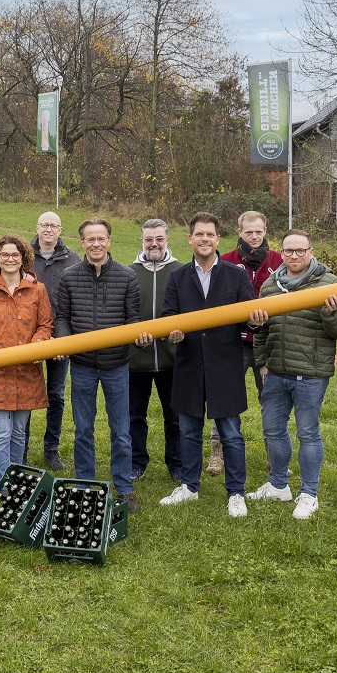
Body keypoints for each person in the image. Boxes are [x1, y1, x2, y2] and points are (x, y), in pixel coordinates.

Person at [152, 212, 254, 517]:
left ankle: (236, 492)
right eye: (199, 234)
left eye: (210, 234)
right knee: (188, 431)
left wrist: (257, 320)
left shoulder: (236, 276)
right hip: (189, 363)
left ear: (218, 239)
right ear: (190, 239)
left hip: (225, 364)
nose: (205, 239)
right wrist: (174, 329)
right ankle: (189, 486)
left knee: (231, 433)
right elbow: (170, 313)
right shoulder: (179, 276)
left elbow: (251, 318)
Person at [246, 229, 337, 519]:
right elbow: (260, 332)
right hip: (276, 372)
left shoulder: (330, 284)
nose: (294, 256)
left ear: (311, 252)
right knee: (272, 430)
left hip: (310, 373)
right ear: (282, 252)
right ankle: (278, 485)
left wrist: (330, 314)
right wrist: (262, 363)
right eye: (288, 251)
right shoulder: (270, 285)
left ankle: (309, 494)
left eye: (300, 251)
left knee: (307, 433)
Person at [54, 217, 140, 511]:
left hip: (117, 364)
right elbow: (62, 318)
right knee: (83, 429)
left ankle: (124, 487)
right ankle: (85, 484)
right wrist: (65, 342)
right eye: (90, 239)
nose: (96, 244)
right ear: (82, 243)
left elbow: (133, 319)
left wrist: (136, 336)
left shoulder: (127, 277)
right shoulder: (69, 277)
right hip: (82, 365)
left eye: (100, 238)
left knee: (121, 431)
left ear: (109, 241)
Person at [0, 236, 54, 482]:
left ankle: (18, 480)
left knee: (18, 433)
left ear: (23, 258)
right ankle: (4, 484)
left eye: (15, 255)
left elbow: (46, 325)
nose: (10, 259)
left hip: (26, 373)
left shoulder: (38, 290)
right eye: (5, 255)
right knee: (1, 433)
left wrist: (37, 345)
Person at [209, 210, 283, 475]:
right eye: (248, 232)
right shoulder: (225, 261)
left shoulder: (279, 260)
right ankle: (217, 453)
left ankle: (275, 456)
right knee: (225, 396)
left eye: (258, 231)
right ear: (240, 232)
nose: (254, 236)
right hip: (234, 341)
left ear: (265, 231)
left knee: (272, 399)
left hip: (269, 341)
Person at [127, 219, 184, 483]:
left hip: (173, 359)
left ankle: (177, 464)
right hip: (135, 361)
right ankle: (136, 462)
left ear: (167, 240)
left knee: (174, 417)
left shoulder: (181, 272)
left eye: (159, 239)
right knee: (134, 416)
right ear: (142, 241)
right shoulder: (129, 273)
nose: (154, 244)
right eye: (149, 239)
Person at [24, 210, 80, 470]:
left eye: (54, 225)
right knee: (23, 396)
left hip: (60, 336)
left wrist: (64, 339)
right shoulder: (24, 255)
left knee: (56, 395)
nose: (48, 229)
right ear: (36, 227)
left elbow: (77, 301)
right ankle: (20, 447)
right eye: (44, 224)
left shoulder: (72, 259)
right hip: (26, 338)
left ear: (60, 230)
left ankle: (51, 448)